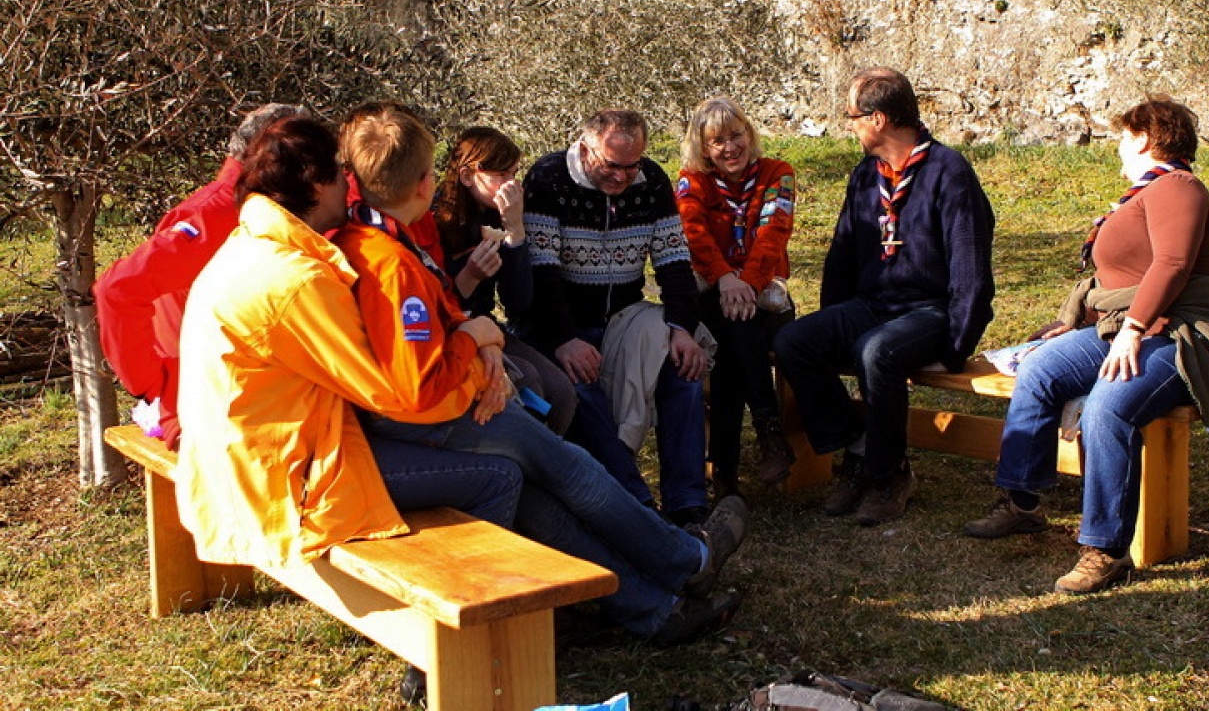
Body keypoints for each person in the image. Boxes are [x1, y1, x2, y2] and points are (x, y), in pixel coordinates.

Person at [332, 104, 746, 645]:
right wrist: (478, 343)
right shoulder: (385, 260)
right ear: (421, 182)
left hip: (441, 402)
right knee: (569, 467)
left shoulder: (379, 237)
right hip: (439, 413)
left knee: (535, 490)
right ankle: (687, 557)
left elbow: (442, 324)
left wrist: (480, 343)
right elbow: (418, 381)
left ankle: (652, 609)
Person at [171, 115, 526, 703]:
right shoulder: (294, 277)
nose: (350, 183)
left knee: (502, 452)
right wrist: (478, 345)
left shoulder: (256, 242)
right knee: (500, 474)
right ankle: (441, 654)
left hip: (241, 450)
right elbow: (396, 392)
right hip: (282, 480)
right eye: (339, 173)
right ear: (313, 185)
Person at [962, 97, 1209, 595]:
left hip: (1180, 336)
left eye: (1122, 135)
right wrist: (1073, 323)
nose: (1117, 145)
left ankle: (1105, 549)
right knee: (1041, 369)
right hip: (1123, 327)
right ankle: (1022, 502)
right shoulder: (1146, 192)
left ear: (1144, 137)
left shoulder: (1179, 188)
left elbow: (1172, 266)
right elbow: (1123, 276)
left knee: (1107, 407)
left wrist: (1134, 329)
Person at [774, 67, 995, 527]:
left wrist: (956, 346)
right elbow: (842, 251)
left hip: (929, 311)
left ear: (878, 119)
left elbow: (971, 266)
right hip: (873, 307)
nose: (849, 124)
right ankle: (857, 447)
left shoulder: (948, 172)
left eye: (852, 115)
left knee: (877, 352)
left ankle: (888, 474)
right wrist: (833, 318)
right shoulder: (865, 175)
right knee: (794, 342)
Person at [521, 109, 713, 526]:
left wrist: (682, 328)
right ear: (586, 147)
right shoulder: (548, 178)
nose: (623, 178)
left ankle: (688, 507)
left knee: (683, 371)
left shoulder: (652, 180)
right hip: (563, 322)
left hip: (626, 315)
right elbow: (542, 271)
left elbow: (674, 261)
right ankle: (638, 508)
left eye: (633, 166)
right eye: (611, 166)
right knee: (582, 388)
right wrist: (565, 338)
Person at [94, 102, 306, 449]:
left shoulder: (242, 205)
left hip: (233, 404)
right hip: (209, 416)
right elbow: (118, 289)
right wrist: (154, 385)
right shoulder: (216, 215)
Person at [675, 98, 797, 498]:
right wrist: (726, 278)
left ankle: (725, 472)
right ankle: (769, 434)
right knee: (733, 330)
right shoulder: (692, 182)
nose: (730, 147)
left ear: (749, 134)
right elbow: (693, 233)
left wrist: (746, 282)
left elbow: (773, 231)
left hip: (766, 296)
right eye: (717, 141)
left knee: (734, 333)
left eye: (736, 135)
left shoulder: (778, 174)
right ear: (703, 147)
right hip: (715, 294)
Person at [433, 126, 576, 434]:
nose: (511, 184)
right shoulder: (437, 221)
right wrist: (470, 276)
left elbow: (519, 302)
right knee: (529, 384)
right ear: (468, 175)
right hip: (455, 331)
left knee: (562, 393)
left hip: (491, 326)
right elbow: (441, 304)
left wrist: (515, 232)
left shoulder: (500, 216)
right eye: (500, 175)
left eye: (514, 174)